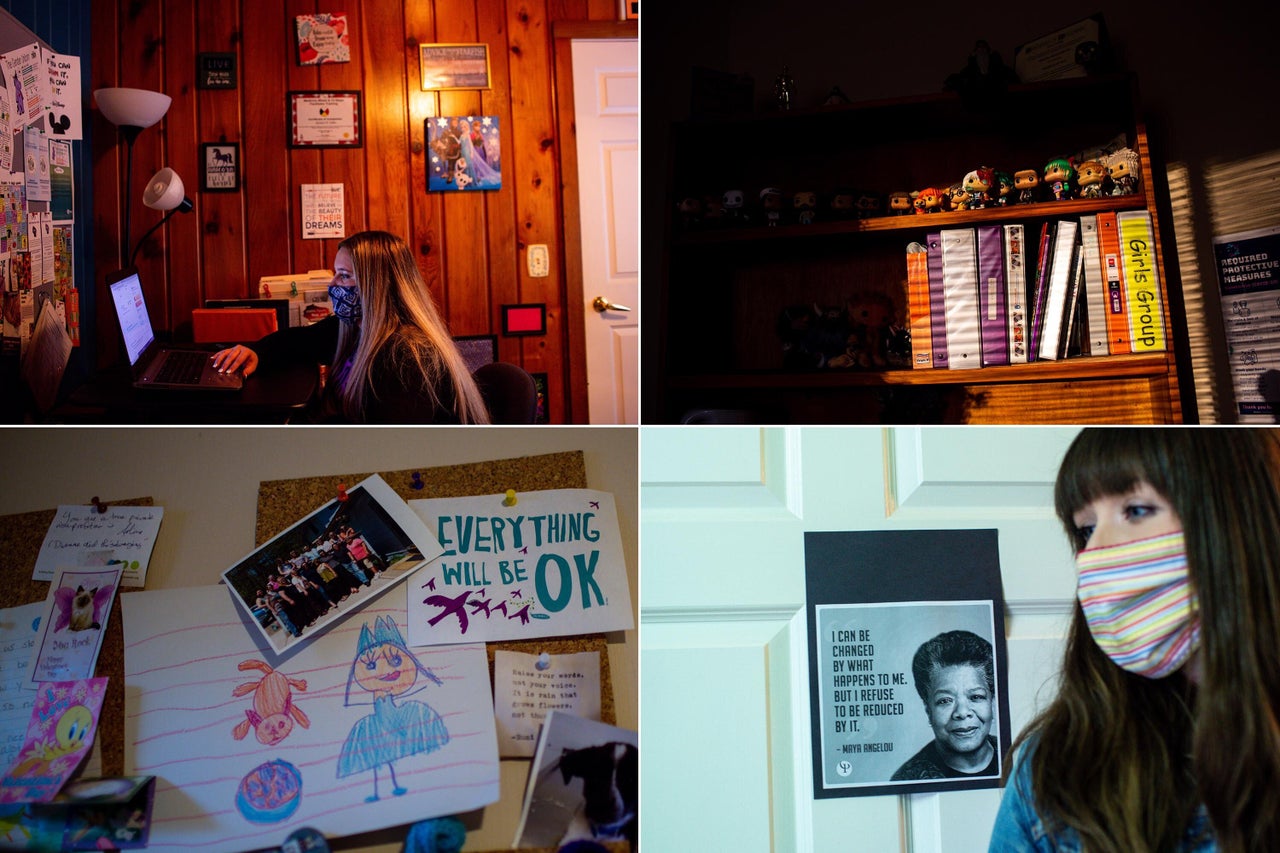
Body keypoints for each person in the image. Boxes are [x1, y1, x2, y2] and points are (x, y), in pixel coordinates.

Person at [989, 428, 1280, 853]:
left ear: (1235, 515)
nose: (1099, 549)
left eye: (1137, 510)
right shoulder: (1056, 768)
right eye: (1086, 530)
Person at [210, 230, 490, 424]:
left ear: (377, 286)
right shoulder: (354, 327)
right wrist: (257, 352)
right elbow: (299, 341)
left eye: (344, 276)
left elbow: (390, 448)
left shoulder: (405, 355)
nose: (333, 285)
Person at [891, 629, 998, 781]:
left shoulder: (1017, 758)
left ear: (992, 703)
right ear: (929, 711)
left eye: (976, 697)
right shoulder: (907, 779)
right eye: (945, 701)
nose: (962, 712)